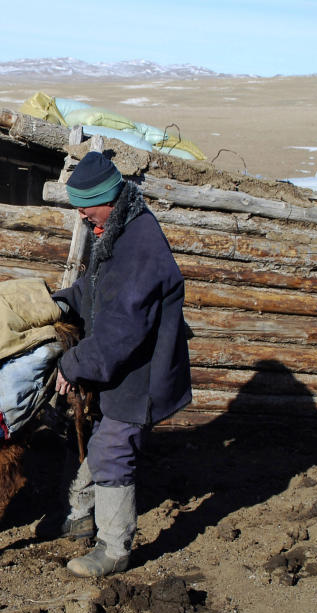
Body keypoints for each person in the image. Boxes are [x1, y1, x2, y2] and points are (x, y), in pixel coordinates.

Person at [46, 151, 192, 577]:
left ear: (109, 199)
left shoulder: (139, 246)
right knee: (104, 439)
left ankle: (114, 548)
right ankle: (81, 515)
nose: (84, 221)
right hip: (125, 363)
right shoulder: (112, 229)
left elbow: (120, 332)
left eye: (87, 211)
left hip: (142, 370)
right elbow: (92, 289)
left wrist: (73, 364)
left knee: (112, 447)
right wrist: (60, 302)